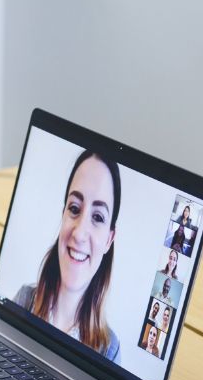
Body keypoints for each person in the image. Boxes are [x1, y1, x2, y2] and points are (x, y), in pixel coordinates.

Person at [14, 150, 122, 364]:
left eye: (98, 217)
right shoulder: (24, 301)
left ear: (109, 239)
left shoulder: (109, 350)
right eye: (74, 208)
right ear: (63, 214)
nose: (80, 233)